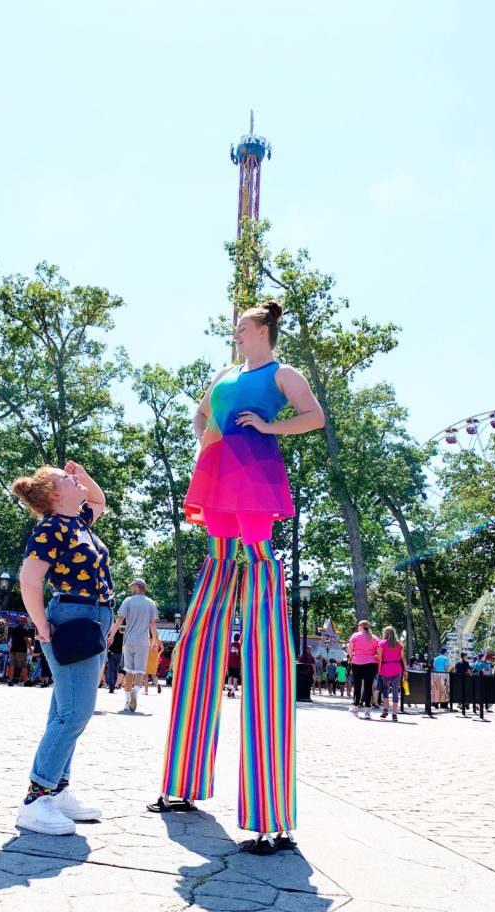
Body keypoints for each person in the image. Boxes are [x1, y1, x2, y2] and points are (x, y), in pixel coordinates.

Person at [150, 301, 325, 851]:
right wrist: (204, 435)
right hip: (217, 473)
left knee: (260, 568)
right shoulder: (225, 373)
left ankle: (272, 816)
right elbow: (202, 414)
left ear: (263, 331)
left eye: (244, 326)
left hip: (253, 476)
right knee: (212, 591)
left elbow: (315, 416)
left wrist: (271, 425)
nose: (237, 331)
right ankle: (182, 782)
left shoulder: (282, 373)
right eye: (237, 327)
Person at [12, 459, 113, 836]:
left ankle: (57, 791)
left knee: (66, 711)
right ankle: (36, 800)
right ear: (55, 496)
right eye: (65, 479)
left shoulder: (79, 522)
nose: (73, 479)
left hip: (93, 617)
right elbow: (30, 580)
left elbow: (99, 502)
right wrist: (42, 626)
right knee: (74, 714)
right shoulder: (51, 528)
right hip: (72, 616)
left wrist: (83, 476)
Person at [107, 580, 159, 712]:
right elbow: (153, 623)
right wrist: (154, 642)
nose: (130, 589)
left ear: (137, 587)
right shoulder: (151, 603)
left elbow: (120, 620)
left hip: (129, 640)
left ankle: (127, 701)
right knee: (140, 671)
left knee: (129, 671)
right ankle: (136, 692)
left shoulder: (128, 601)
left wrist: (112, 635)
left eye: (132, 586)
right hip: (143, 641)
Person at [348, 620, 380, 719]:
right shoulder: (374, 638)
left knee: (357, 686)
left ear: (361, 626)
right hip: (371, 664)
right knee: (368, 687)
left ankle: (356, 709)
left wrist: (355, 655)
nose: (357, 627)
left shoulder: (355, 636)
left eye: (358, 625)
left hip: (357, 663)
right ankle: (367, 711)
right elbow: (378, 654)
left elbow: (349, 651)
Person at [376, 625, 408, 722]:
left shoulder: (382, 643)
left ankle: (385, 709)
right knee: (395, 691)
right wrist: (405, 670)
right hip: (397, 668)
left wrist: (379, 669)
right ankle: (394, 714)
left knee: (385, 689)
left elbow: (380, 658)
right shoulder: (399, 644)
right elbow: (403, 658)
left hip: (385, 668)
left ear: (385, 633)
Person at [8, 613, 33, 687]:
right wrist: (30, 649)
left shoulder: (14, 628)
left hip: (13, 649)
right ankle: (26, 681)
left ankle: (10, 680)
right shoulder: (25, 629)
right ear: (25, 620)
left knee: (12, 666)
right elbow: (26, 640)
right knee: (24, 666)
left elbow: (11, 639)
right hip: (22, 650)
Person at [105, 626, 123, 693]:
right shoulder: (121, 635)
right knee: (115, 671)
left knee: (110, 671)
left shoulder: (109, 635)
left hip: (111, 654)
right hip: (119, 654)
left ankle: (111, 686)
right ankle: (113, 686)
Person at [226, 633, 241, 698]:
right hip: (237, 665)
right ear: (239, 639)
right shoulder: (240, 646)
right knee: (235, 679)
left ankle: (229, 688)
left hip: (230, 664)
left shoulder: (230, 645)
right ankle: (233, 692)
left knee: (229, 677)